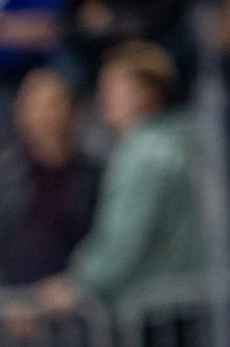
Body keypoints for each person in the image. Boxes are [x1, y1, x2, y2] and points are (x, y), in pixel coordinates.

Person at [37, 38, 201, 320]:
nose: (102, 98)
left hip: (156, 310)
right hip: (197, 306)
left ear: (144, 93)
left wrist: (78, 283)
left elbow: (124, 238)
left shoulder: (142, 153)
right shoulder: (192, 141)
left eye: (112, 88)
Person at [0, 66, 100, 285]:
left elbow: (101, 239)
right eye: (34, 106)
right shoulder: (1, 174)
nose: (43, 116)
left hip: (77, 292)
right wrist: (1, 298)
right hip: (17, 295)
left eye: (52, 105)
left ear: (73, 111)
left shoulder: (92, 175)